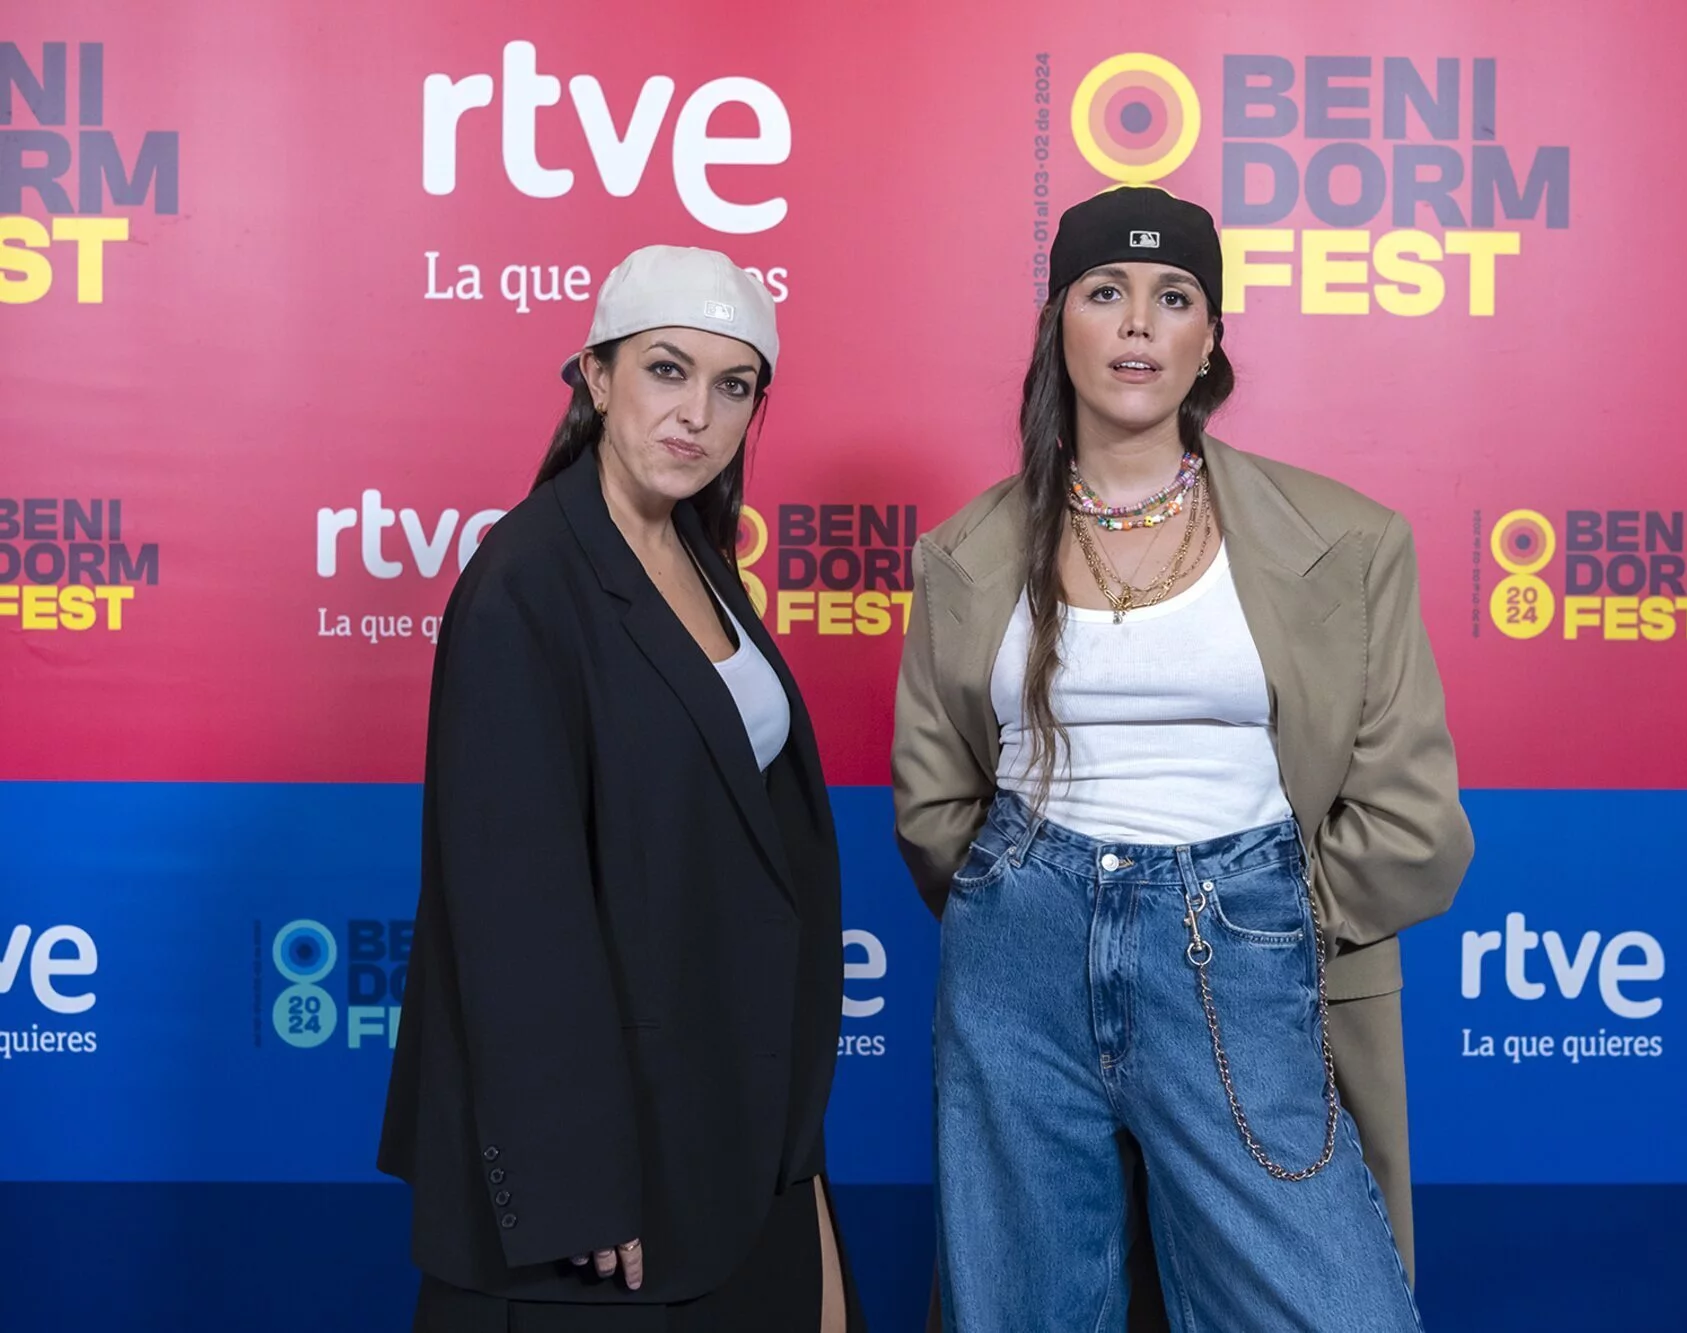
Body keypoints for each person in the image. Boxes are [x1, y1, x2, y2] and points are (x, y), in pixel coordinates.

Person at [891, 187, 1473, 1331]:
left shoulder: (1346, 541)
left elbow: (1412, 820)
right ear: (1058, 324)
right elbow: (935, 807)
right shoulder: (961, 555)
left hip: (1237, 945)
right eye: (1104, 292)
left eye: (1172, 298)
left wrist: (1267, 915)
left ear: (1209, 338)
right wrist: (1023, 901)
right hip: (1019, 966)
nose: (1137, 324)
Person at [379, 245, 862, 1332]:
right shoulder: (525, 582)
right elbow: (512, 911)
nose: (696, 413)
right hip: (610, 1177)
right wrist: (570, 1177)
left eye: (732, 386)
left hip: (734, 1116)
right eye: (665, 370)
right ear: (596, 377)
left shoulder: (692, 551)